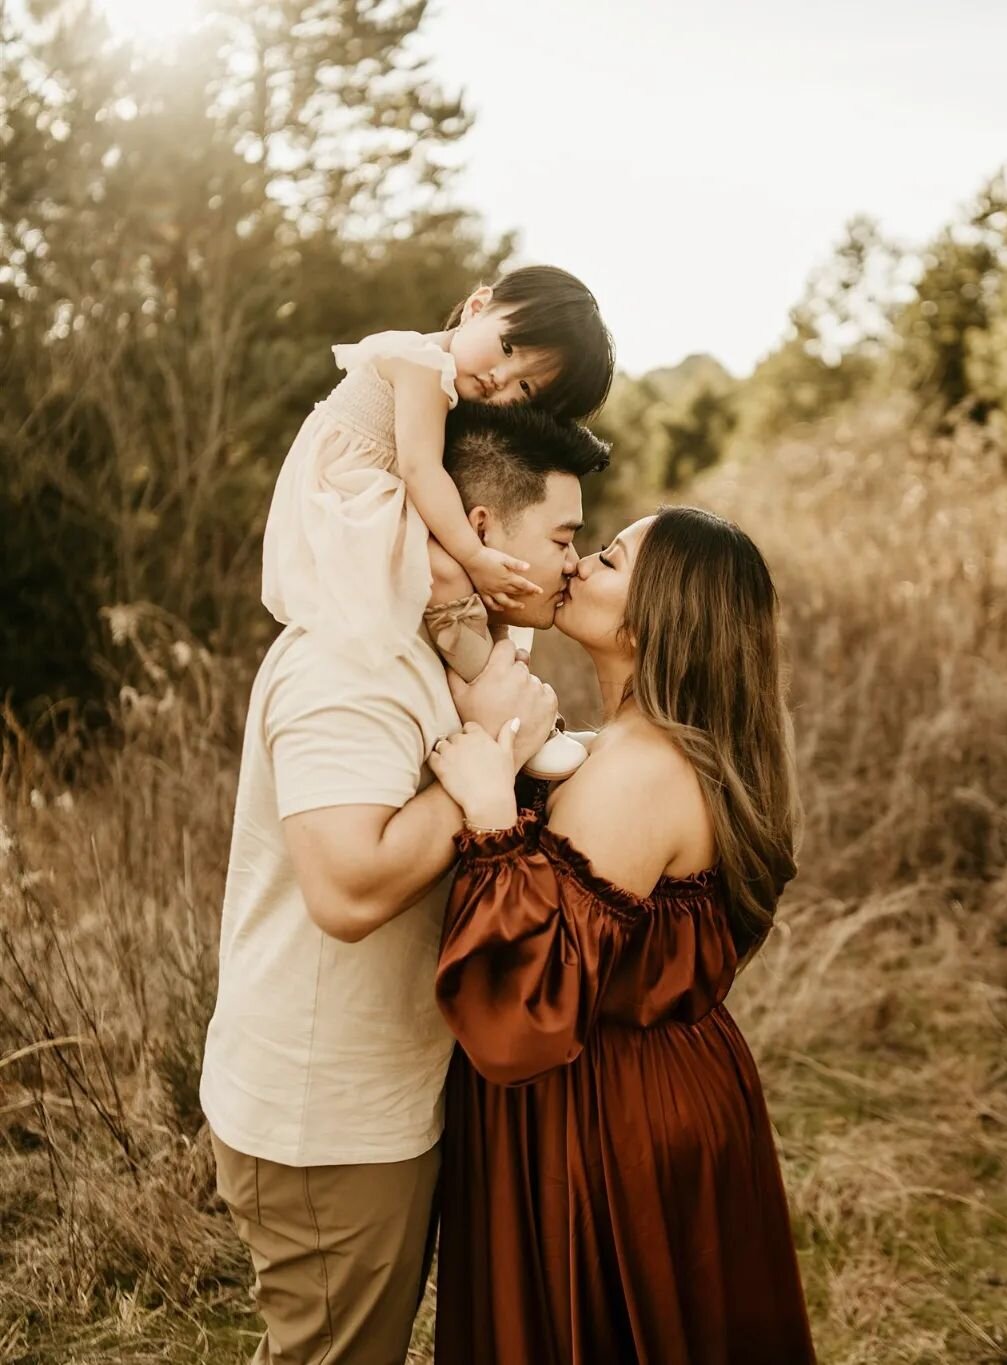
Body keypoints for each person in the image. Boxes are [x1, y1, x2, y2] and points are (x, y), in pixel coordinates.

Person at [199, 400, 608, 1365]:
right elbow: (345, 894)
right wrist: (494, 755)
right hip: (325, 1121)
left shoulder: (446, 646)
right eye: (561, 536)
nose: (570, 565)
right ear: (478, 530)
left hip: (386, 1097)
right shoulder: (352, 662)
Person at [427, 506, 817, 1364]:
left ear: (654, 616)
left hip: (607, 1116)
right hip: (664, 1086)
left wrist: (493, 818)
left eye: (606, 559)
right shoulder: (655, 748)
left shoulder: (642, 771)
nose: (577, 565)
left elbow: (528, 998)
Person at [261, 264, 614, 778]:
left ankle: (515, 707)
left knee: (471, 591)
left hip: (373, 488)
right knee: (448, 574)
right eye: (509, 348)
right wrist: (474, 555)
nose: (502, 379)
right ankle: (511, 716)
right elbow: (419, 468)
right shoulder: (422, 364)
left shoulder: (449, 378)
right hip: (350, 492)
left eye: (528, 390)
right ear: (477, 306)